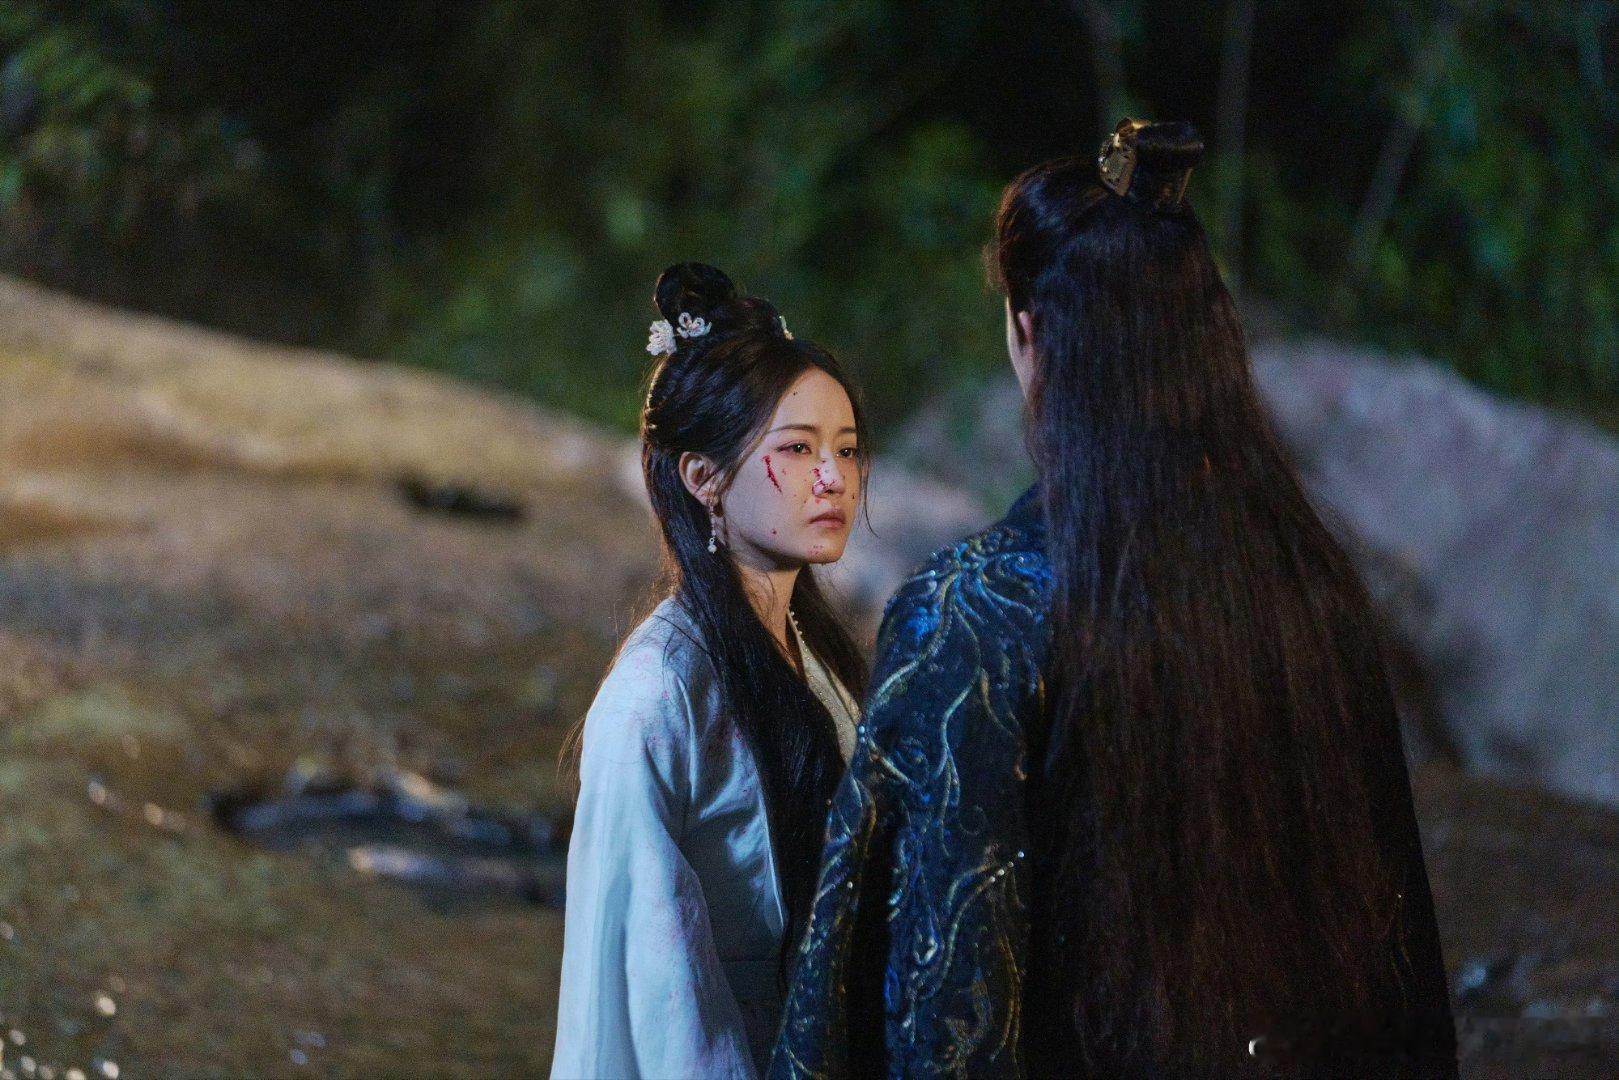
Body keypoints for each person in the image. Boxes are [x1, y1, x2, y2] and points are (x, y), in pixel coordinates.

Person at [771, 121, 1458, 1079]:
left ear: (1027, 331)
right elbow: (1394, 951)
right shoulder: (1306, 583)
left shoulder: (975, 612)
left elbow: (937, 986)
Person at [550, 262, 871, 1079]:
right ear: (703, 478)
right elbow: (659, 985)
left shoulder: (810, 647)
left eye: (845, 449)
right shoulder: (657, 695)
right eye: (796, 449)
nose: (833, 477)